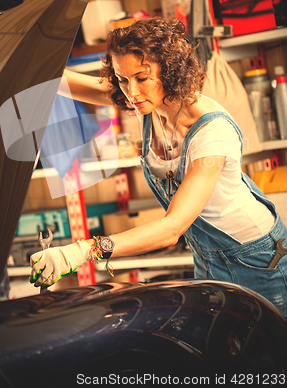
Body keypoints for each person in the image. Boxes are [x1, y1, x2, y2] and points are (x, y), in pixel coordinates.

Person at [30, 17, 287, 318]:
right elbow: (97, 90)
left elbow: (172, 228)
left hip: (258, 259)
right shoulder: (147, 105)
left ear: (170, 70)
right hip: (207, 256)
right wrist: (31, 70)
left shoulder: (211, 132)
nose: (131, 92)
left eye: (141, 78)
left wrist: (79, 251)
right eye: (122, 79)